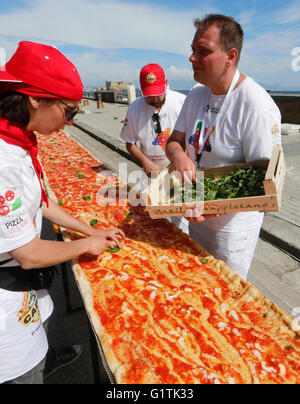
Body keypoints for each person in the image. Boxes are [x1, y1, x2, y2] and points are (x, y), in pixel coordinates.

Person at [0, 41, 125, 384]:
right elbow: (27, 253)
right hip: (6, 316)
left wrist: (91, 230)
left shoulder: (19, 140)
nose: (70, 122)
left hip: (22, 296)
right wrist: (85, 246)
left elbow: (41, 202)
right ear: (35, 99)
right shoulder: (4, 160)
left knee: (38, 345)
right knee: (27, 375)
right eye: (69, 111)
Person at [166, 14, 281, 280]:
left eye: (203, 51)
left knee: (224, 297)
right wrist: (180, 156)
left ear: (230, 56)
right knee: (195, 282)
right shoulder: (196, 94)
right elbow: (174, 141)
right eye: (192, 50)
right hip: (195, 213)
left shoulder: (255, 105)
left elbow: (264, 183)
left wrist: (213, 208)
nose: (192, 58)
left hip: (231, 231)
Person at [120, 63, 188, 232]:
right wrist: (145, 161)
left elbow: (193, 138)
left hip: (182, 172)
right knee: (150, 224)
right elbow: (130, 143)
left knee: (184, 225)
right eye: (149, 96)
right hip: (151, 175)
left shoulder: (182, 102)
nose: (155, 99)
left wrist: (182, 158)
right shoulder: (135, 108)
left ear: (166, 83)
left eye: (158, 93)